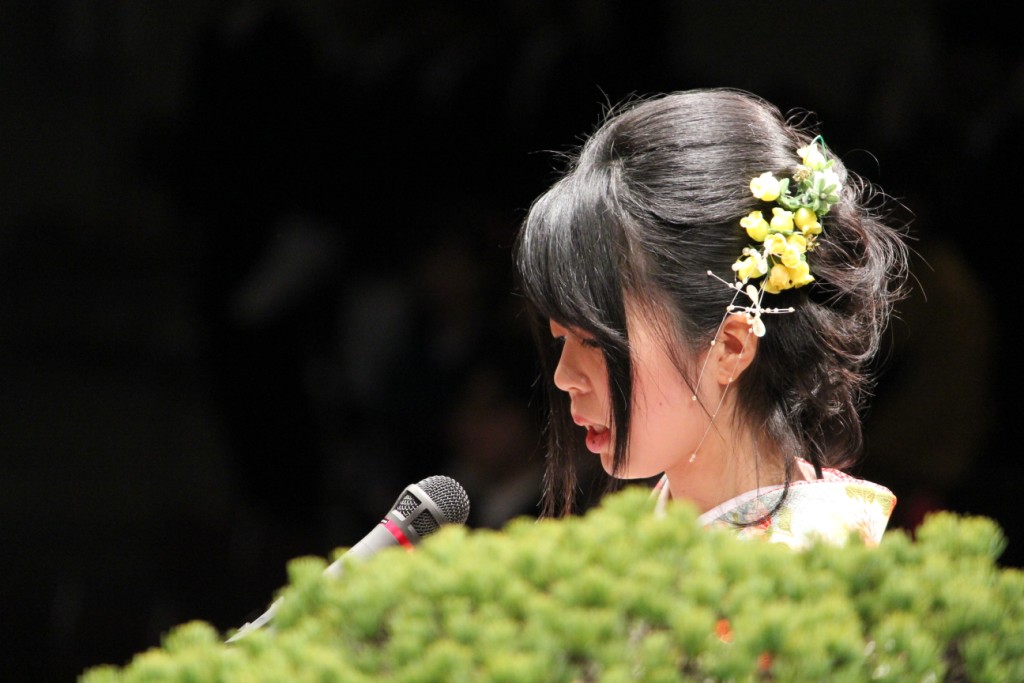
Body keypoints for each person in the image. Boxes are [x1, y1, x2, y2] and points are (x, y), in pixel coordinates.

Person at [513, 88, 909, 549]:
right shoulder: (654, 537)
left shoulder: (804, 567)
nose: (564, 377)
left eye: (596, 342)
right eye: (562, 339)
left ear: (730, 347)